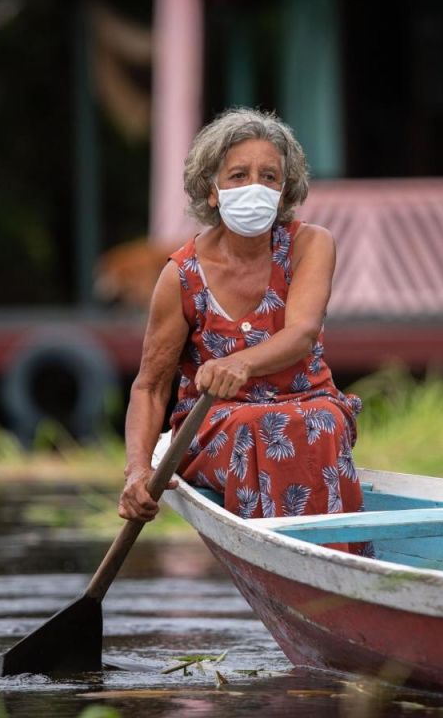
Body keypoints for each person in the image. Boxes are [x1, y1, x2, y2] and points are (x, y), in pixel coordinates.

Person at [118, 107, 370, 556]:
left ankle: (337, 559)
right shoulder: (181, 276)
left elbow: (302, 334)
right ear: (212, 191)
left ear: (284, 190)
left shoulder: (310, 244)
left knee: (323, 420)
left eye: (269, 177)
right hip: (216, 422)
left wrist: (239, 363)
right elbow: (151, 386)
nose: (255, 187)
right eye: (238, 175)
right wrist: (137, 472)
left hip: (309, 402)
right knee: (256, 425)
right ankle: (282, 559)